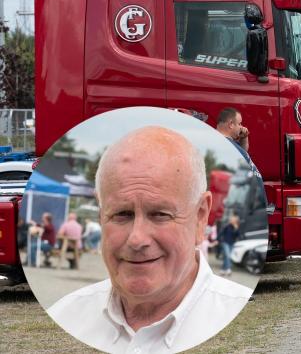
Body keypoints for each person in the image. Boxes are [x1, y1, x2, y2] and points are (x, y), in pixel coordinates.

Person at [48, 126, 252, 353]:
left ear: (201, 217)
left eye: (160, 215)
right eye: (122, 214)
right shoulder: (65, 315)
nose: (137, 239)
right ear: (101, 214)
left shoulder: (244, 320)